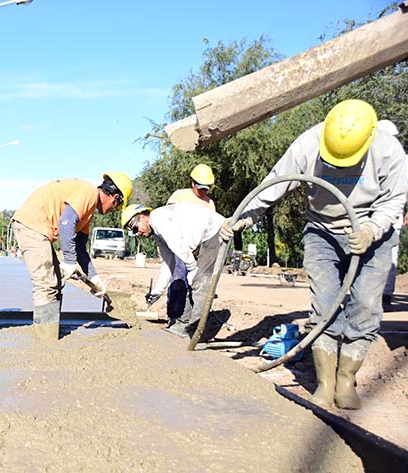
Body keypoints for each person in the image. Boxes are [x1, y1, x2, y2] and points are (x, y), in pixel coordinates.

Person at [220, 100, 407, 410]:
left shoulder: (389, 151)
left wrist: (372, 229)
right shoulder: (308, 144)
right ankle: (326, 382)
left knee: (366, 305)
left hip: (373, 234)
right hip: (322, 230)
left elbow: (394, 201)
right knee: (324, 306)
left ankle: (346, 380)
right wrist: (246, 216)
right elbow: (274, 184)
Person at [11, 172, 133, 341]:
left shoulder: (88, 211)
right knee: (46, 283)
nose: (113, 209)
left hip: (40, 229)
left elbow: (80, 248)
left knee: (56, 281)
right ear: (115, 197)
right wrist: (69, 261)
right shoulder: (89, 192)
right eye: (117, 206)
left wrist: (94, 277)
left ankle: (51, 330)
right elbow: (66, 222)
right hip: (32, 225)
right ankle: (46, 340)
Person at [121, 202, 225, 340]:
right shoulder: (157, 233)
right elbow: (168, 262)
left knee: (201, 283)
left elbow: (180, 247)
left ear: (143, 216)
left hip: (214, 232)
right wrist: (157, 290)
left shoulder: (158, 220)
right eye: (133, 232)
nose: (137, 233)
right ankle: (183, 324)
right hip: (198, 240)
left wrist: (192, 269)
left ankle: (194, 331)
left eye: (135, 228)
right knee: (188, 282)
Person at [164, 163, 217, 327]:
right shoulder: (180, 196)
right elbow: (167, 217)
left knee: (198, 282)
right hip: (181, 245)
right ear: (192, 183)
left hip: (200, 248)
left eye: (206, 188)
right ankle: (175, 316)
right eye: (200, 187)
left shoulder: (209, 203)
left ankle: (191, 319)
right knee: (179, 279)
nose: (203, 191)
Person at [377, 120, 406, 312]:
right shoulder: (370, 156)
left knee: (390, 256)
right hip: (369, 216)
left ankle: (386, 296)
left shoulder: (402, 159)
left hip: (392, 215)